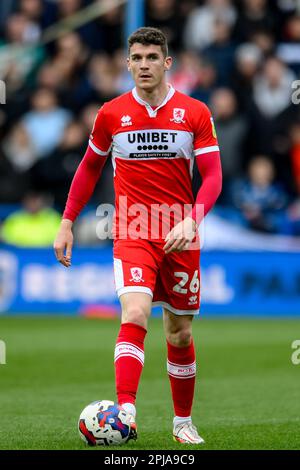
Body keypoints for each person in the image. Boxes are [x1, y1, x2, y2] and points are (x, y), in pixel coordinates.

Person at [54, 27, 222, 444]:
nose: (144, 65)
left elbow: (214, 175)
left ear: (167, 64)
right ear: (127, 64)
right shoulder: (110, 113)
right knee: (134, 314)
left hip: (181, 235)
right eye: (137, 58)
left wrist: (193, 220)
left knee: (179, 332)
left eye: (152, 58)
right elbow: (89, 168)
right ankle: (125, 412)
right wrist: (67, 221)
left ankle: (182, 422)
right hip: (132, 230)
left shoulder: (195, 112)